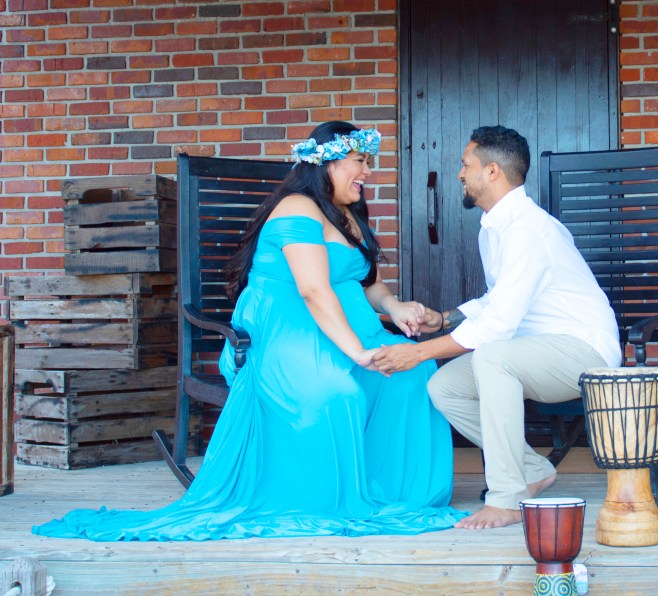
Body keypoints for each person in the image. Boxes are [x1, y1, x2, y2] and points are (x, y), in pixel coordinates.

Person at [33, 121, 466, 540]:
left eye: (368, 161)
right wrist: (358, 354)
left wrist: (394, 306)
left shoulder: (349, 212)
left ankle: (392, 493)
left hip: (350, 329)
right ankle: (330, 496)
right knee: (337, 391)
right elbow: (314, 290)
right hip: (290, 333)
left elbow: (366, 281)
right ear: (328, 163)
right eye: (360, 161)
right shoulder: (298, 208)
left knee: (413, 373)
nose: (368, 171)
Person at [372, 125, 622, 529]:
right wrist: (444, 319)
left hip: (583, 351)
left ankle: (506, 498)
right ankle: (532, 469)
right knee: (443, 386)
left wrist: (417, 353)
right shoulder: (497, 226)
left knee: (491, 357)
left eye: (465, 165)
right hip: (534, 351)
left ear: (492, 171)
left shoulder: (526, 229)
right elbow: (498, 299)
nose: (459, 174)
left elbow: (499, 324)